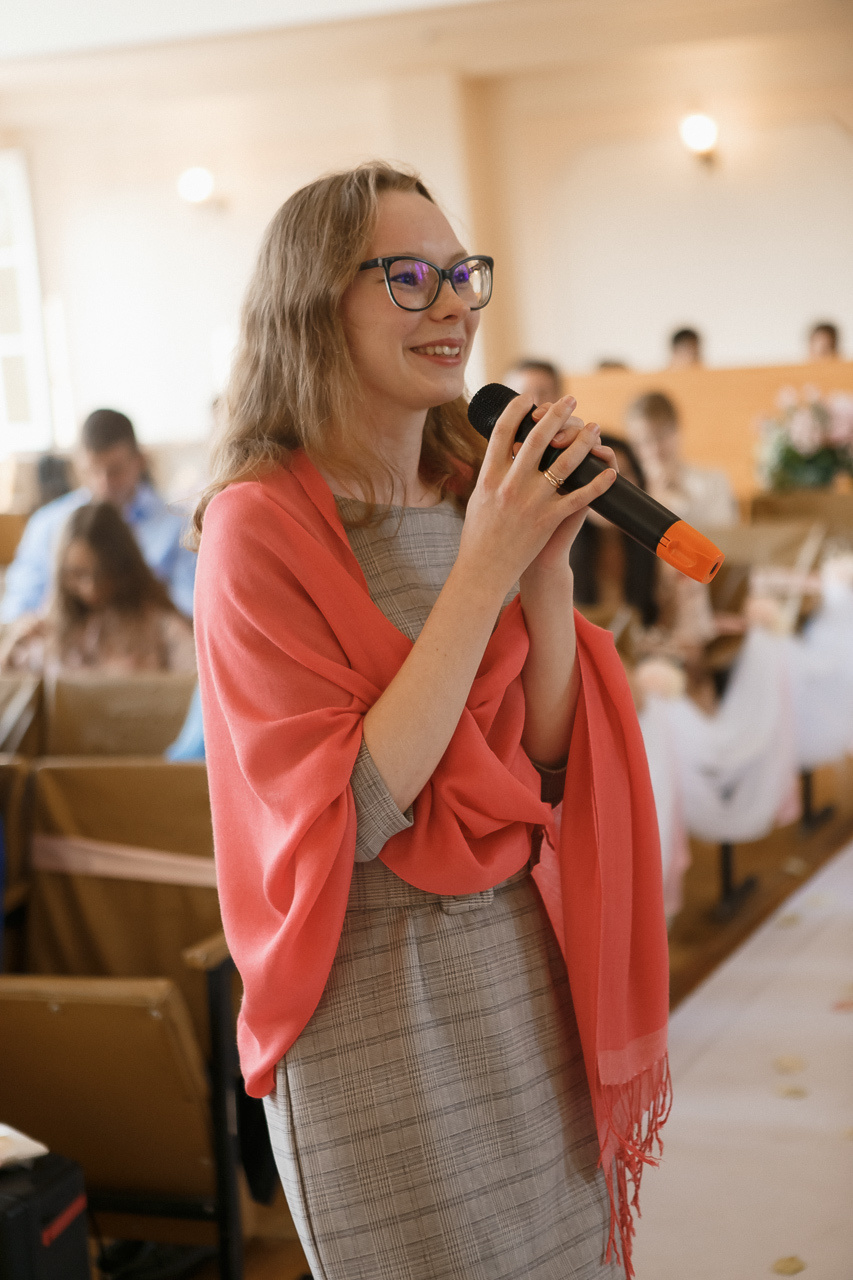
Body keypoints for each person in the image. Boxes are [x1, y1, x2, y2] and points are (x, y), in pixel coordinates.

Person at [193, 162, 670, 1280]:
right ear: (312, 304)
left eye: (462, 274)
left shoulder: (469, 494)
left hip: (518, 970)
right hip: (374, 997)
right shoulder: (256, 528)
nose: (453, 305)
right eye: (409, 277)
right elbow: (357, 807)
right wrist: (486, 563)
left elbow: (544, 773)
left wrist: (542, 570)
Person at [0, 409, 196, 623]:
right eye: (93, 471)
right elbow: (18, 607)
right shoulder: (47, 524)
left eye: (115, 471)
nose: (104, 484)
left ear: (139, 461)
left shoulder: (179, 525)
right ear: (79, 465)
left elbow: (191, 609)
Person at [0, 502, 196, 676]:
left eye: (102, 574)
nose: (90, 588)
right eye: (77, 574)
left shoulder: (161, 627)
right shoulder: (50, 631)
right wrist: (14, 646)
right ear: (61, 572)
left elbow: (196, 681)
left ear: (123, 568)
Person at [570, 435, 716, 658]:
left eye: (622, 474)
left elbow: (693, 641)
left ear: (639, 482)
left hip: (655, 667)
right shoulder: (558, 553)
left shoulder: (669, 549)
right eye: (593, 473)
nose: (604, 484)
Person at [625, 391, 738, 528]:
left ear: (676, 431)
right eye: (643, 441)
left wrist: (677, 496)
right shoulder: (629, 487)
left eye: (661, 436)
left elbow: (722, 533)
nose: (654, 449)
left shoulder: (714, 481)